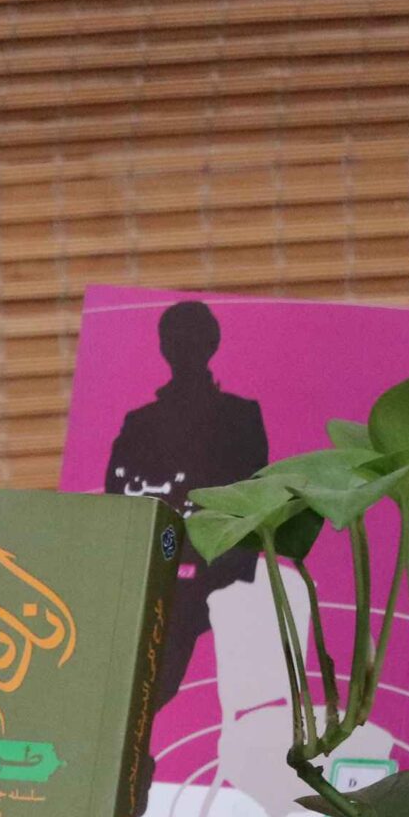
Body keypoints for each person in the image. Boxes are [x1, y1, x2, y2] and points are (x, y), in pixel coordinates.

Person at [102, 300, 271, 744]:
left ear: (210, 344)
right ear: (164, 347)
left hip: (216, 579)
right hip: (152, 577)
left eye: (191, 339)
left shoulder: (241, 417)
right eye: (175, 339)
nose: (183, 348)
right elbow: (118, 502)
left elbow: (253, 499)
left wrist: (226, 576)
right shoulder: (139, 423)